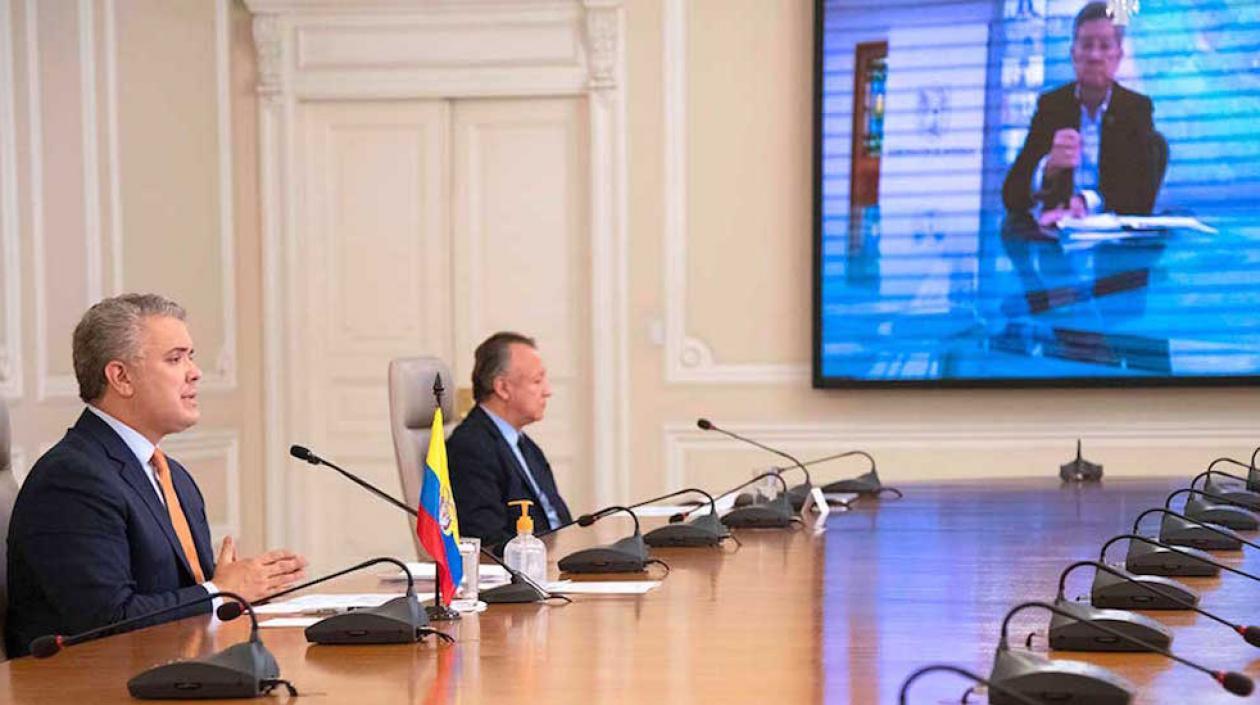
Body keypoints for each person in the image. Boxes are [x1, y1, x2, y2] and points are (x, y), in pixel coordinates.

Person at [5, 294, 307, 657]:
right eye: (175, 358)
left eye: (190, 356)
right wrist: (219, 591)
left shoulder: (172, 475)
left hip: (171, 671)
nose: (194, 371)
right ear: (121, 377)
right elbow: (107, 621)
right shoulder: (72, 480)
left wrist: (239, 594)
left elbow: (180, 600)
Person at [1002, 1, 1161, 220]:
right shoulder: (1052, 106)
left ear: (1118, 56)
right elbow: (1011, 194)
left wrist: (1085, 203)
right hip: (1059, 243)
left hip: (1113, 246)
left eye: (1105, 46)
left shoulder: (1135, 110)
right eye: (1086, 45)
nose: (1095, 56)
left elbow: (1140, 199)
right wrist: (1047, 168)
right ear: (1073, 54)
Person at [447, 332, 572, 549]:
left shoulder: (525, 446)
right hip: (524, 573)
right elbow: (486, 539)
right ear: (503, 388)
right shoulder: (470, 448)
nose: (548, 391)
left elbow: (560, 519)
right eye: (537, 381)